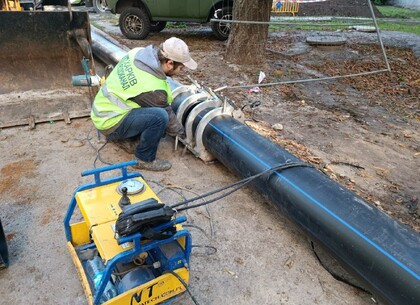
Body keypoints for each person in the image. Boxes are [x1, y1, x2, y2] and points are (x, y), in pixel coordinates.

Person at [90, 37, 197, 171]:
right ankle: (144, 159)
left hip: (102, 111)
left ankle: (126, 140)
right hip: (109, 122)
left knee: (155, 117)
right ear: (170, 63)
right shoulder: (153, 88)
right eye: (181, 67)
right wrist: (184, 134)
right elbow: (169, 119)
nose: (181, 71)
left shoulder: (138, 53)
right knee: (160, 118)